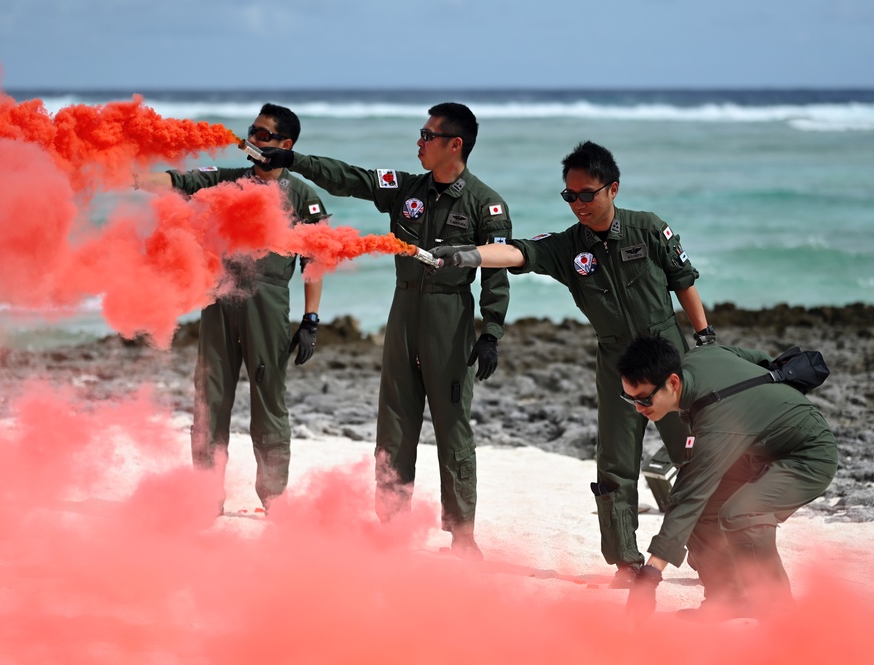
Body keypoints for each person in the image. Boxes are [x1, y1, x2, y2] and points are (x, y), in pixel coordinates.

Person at [431, 141, 714, 585]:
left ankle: (710, 553)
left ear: (612, 189)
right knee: (617, 462)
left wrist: (705, 336)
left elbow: (684, 282)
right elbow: (520, 252)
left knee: (694, 456)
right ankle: (625, 561)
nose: (578, 204)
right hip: (616, 363)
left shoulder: (648, 229)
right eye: (570, 196)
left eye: (587, 194)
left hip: (668, 358)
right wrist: (470, 254)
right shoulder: (568, 247)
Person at [252, 103, 512, 560]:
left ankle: (463, 536)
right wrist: (294, 160)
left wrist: (489, 332)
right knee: (393, 425)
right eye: (420, 133)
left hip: (449, 321)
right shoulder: (405, 188)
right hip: (402, 310)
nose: (419, 142)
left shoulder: (485, 205)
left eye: (428, 136)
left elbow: (497, 274)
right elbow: (349, 177)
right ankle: (393, 529)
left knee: (453, 429)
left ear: (456, 145)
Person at [135, 103, 329, 512]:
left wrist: (311, 320)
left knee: (269, 402)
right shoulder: (228, 181)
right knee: (210, 397)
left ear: (285, 145)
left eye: (263, 135)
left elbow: (316, 261)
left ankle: (274, 498)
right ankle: (207, 496)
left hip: (269, 303)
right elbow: (178, 180)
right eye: (252, 131)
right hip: (220, 297)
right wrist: (134, 177)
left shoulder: (303, 197)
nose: (253, 139)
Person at [617, 334, 838, 621]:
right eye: (629, 398)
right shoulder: (700, 356)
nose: (638, 407)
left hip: (808, 455)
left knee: (742, 513)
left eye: (644, 398)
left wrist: (650, 575)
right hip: (756, 451)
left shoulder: (716, 423)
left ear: (672, 382)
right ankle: (729, 599)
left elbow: (690, 497)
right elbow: (757, 357)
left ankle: (781, 617)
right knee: (706, 511)